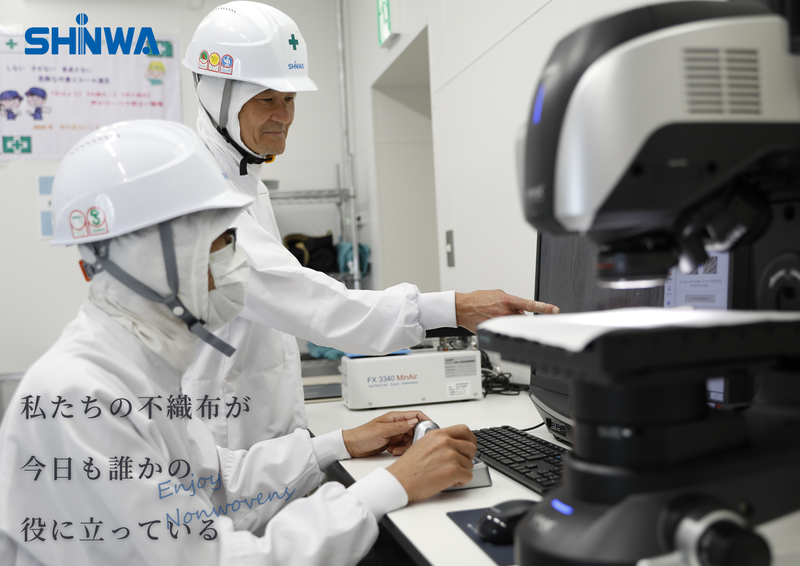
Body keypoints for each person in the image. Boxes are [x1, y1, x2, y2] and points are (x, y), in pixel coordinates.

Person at [0, 120, 477, 566]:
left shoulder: (139, 365)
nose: (234, 263)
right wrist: (391, 487)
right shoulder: (79, 396)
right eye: (217, 242)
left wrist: (340, 443)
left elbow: (216, 481)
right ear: (147, 257)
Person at [181, 1, 560, 452]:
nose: (284, 115)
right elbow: (306, 301)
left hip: (267, 441)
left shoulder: (247, 184)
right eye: (267, 99)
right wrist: (456, 308)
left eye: (290, 99)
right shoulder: (199, 195)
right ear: (217, 96)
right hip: (224, 447)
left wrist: (331, 443)